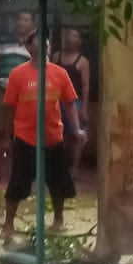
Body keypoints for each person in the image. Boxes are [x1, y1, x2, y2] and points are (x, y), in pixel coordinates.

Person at [0, 30, 85, 245]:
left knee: (58, 183)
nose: (45, 44)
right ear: (29, 48)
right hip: (25, 138)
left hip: (53, 137)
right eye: (38, 42)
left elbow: (69, 103)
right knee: (17, 184)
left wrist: (76, 129)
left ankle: (58, 220)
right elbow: (8, 108)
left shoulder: (60, 74)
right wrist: (6, 137)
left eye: (46, 41)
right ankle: (8, 224)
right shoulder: (18, 74)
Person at [0, 10, 35, 186]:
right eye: (20, 18)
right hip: (2, 89)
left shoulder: (38, 43)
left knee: (21, 133)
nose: (22, 22)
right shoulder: (4, 40)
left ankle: (18, 172)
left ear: (32, 25)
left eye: (26, 19)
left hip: (25, 94)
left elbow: (42, 65)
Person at [53, 27, 93, 176]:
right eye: (68, 35)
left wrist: (85, 108)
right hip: (57, 101)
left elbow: (86, 86)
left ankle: (74, 167)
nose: (70, 38)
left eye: (74, 35)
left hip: (75, 102)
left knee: (77, 136)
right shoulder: (56, 57)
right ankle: (60, 165)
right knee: (58, 135)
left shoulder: (83, 62)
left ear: (79, 41)